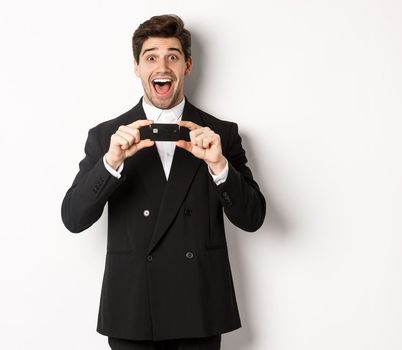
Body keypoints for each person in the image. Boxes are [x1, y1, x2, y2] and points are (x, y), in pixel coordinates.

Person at [61, 14, 266, 349]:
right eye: (151, 57)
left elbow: (253, 218)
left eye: (172, 56)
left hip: (199, 309)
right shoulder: (105, 137)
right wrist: (110, 163)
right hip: (133, 311)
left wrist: (219, 166)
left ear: (187, 65)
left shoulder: (222, 134)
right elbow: (73, 218)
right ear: (137, 67)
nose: (162, 66)